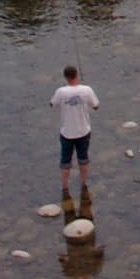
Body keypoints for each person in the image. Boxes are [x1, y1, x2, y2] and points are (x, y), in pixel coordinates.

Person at [51, 64, 100, 195]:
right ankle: (83, 184)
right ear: (77, 75)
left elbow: (52, 105)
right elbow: (96, 106)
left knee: (65, 161)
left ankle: (65, 187)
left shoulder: (61, 92)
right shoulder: (87, 89)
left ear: (65, 77)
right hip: (83, 131)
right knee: (83, 159)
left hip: (67, 133)